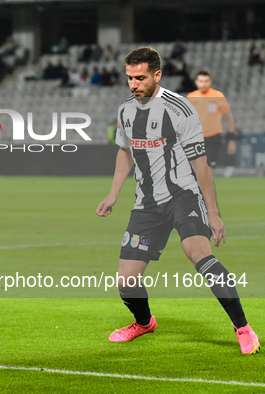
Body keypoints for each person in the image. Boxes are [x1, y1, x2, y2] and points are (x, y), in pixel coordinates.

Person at [96, 47, 259, 355]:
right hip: (146, 204)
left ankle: (243, 328)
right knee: (126, 281)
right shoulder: (125, 110)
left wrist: (213, 213)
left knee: (198, 255)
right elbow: (125, 152)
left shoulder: (179, 109)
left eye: (140, 78)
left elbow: (201, 163)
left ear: (157, 74)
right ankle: (144, 323)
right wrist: (113, 193)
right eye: (129, 78)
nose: (134, 84)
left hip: (183, 196)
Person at [187, 70, 237, 174]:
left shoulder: (217, 96)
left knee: (209, 171)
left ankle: (206, 190)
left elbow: (229, 118)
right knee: (196, 172)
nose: (203, 84)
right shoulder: (191, 97)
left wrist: (231, 139)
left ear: (210, 82)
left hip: (213, 138)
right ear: (196, 82)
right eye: (201, 81)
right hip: (195, 138)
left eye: (206, 81)